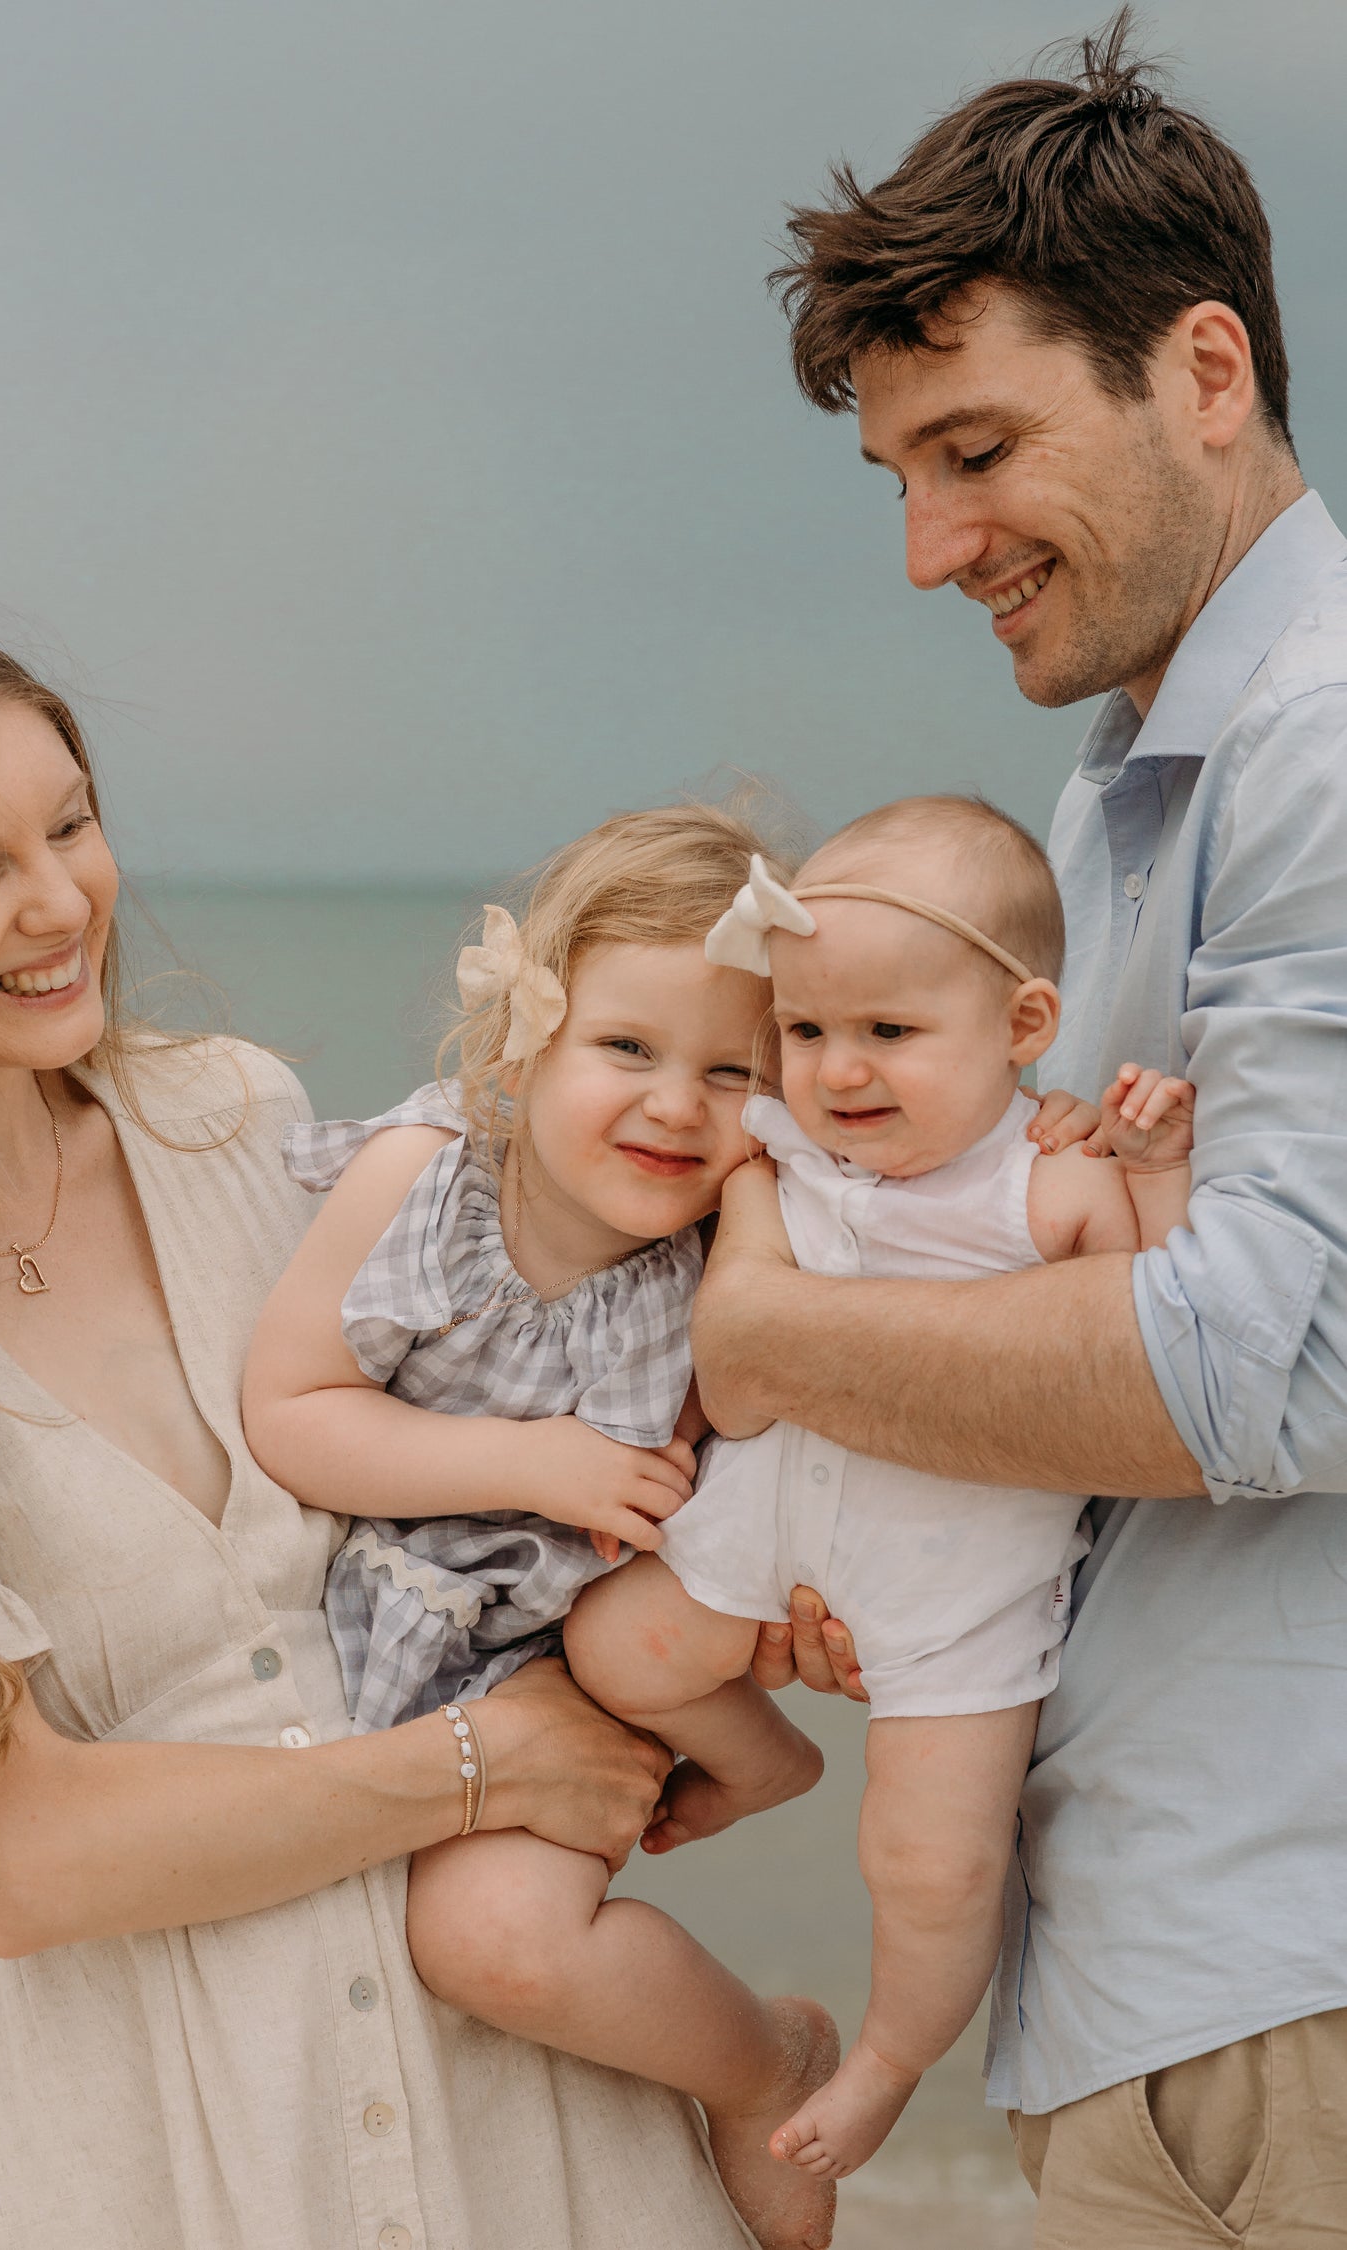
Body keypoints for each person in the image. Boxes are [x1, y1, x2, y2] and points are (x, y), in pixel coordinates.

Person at [0, 600, 759, 2250]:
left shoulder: (240, 1120)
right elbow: (17, 1862)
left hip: (505, 2091)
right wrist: (474, 1763)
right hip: (146, 2148)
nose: (62, 902)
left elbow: (586, 1348)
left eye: (72, 825)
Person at [696, 14, 1347, 2242]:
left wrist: (775, 1347)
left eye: (974, 450)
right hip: (1153, 1978)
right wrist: (878, 1528)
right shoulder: (1121, 797)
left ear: (1204, 372)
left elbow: (1288, 1361)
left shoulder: (1321, 745)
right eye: (900, 476)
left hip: (1290, 1991)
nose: (928, 547)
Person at [567, 794, 1193, 2185]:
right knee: (615, 1643)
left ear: (1024, 1027)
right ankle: (759, 1759)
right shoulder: (780, 1154)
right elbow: (708, 1339)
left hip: (963, 1585)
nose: (839, 1070)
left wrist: (1154, 1166)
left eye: (890, 1032)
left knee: (933, 1861)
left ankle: (886, 2062)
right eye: (804, 1030)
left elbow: (1164, 1336)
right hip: (768, 1529)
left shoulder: (1045, 1187)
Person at [242, 804, 837, 2250]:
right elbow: (292, 1408)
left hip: (577, 1655)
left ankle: (765, 2065)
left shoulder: (731, 1257)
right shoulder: (426, 1182)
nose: (677, 1105)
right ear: (526, 1042)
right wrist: (531, 1459)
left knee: (494, 1943)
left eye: (734, 1072)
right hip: (392, 1613)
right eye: (627, 1047)